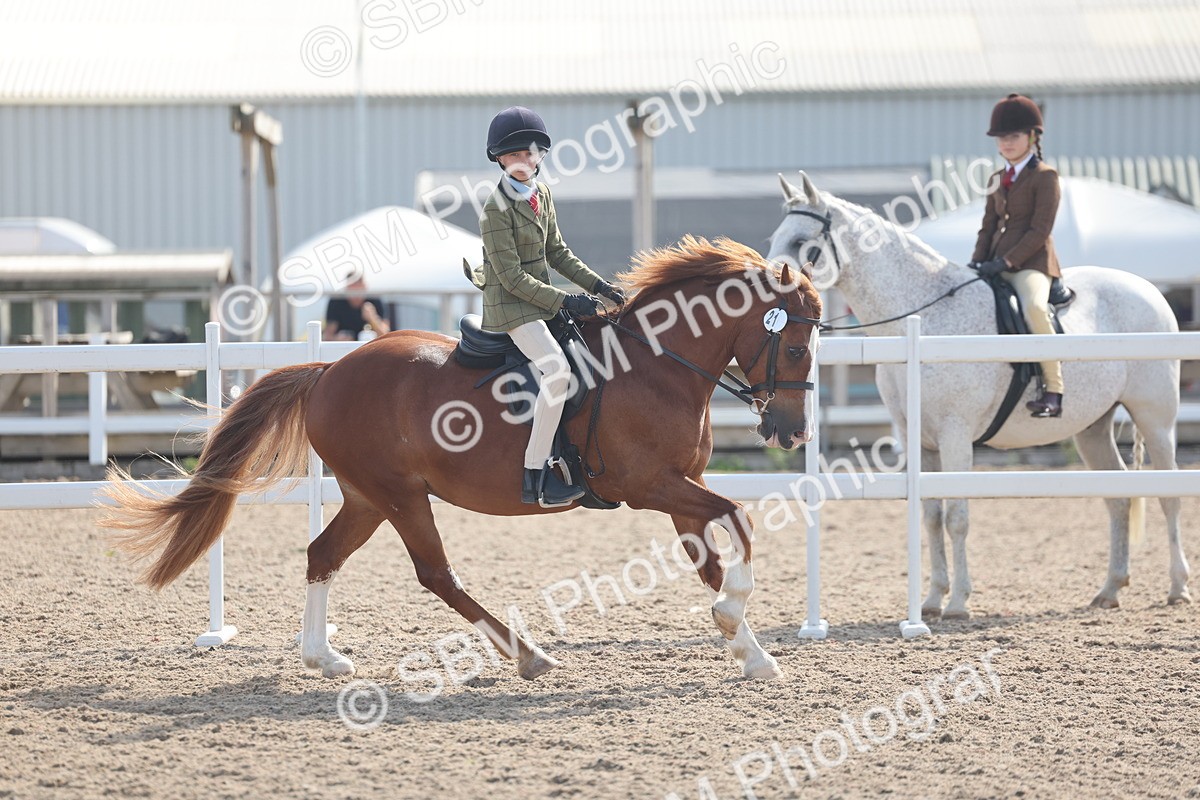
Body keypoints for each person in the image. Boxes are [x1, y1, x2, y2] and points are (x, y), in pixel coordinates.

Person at [465, 106, 626, 506]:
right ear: (498, 159)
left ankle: (578, 461)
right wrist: (567, 300)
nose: (523, 160)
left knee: (593, 359)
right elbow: (512, 279)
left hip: (540, 301)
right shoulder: (494, 210)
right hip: (512, 307)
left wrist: (600, 285)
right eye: (514, 154)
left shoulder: (543, 194)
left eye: (530, 153)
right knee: (556, 369)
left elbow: (558, 252)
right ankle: (535, 474)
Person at [969, 93, 1064, 418]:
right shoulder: (997, 179)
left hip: (1030, 265)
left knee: (1036, 308)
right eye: (1001, 137)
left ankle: (1053, 389)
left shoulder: (1046, 177)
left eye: (1014, 136)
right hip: (994, 262)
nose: (1006, 143)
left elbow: (1040, 231)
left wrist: (1007, 262)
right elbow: (988, 226)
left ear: (1032, 137)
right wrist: (977, 261)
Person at [323, 277, 391, 341]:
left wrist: (372, 318)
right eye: (352, 292)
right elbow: (327, 336)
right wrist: (338, 340)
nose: (356, 296)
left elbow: (386, 335)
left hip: (371, 349)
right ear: (347, 289)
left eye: (359, 291)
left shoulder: (375, 299)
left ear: (365, 288)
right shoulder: (337, 301)